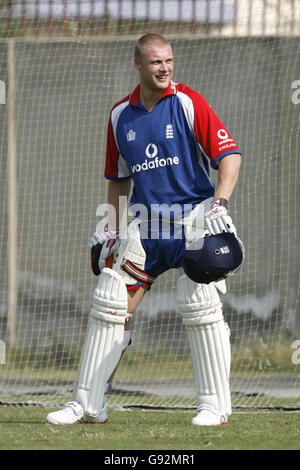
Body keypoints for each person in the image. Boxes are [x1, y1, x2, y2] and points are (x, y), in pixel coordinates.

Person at [46, 33, 242, 426]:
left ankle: (214, 406)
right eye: (156, 62)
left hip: (194, 222)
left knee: (200, 305)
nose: (165, 68)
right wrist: (113, 229)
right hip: (148, 227)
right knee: (111, 303)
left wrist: (219, 202)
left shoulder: (188, 102)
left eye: (169, 61)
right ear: (138, 64)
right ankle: (88, 403)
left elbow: (229, 156)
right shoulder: (121, 115)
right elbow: (118, 180)